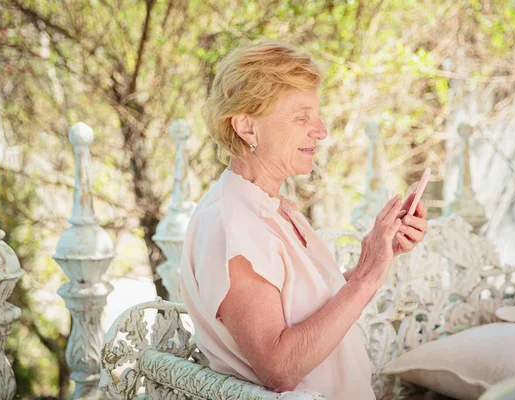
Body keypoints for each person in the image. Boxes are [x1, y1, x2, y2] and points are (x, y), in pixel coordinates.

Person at [179, 40, 428, 399]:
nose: (321, 130)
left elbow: (308, 313)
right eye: (302, 117)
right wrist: (368, 277)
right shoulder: (232, 225)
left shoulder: (270, 208)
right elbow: (279, 368)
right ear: (247, 127)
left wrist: (375, 254)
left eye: (317, 114)